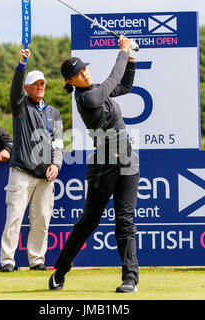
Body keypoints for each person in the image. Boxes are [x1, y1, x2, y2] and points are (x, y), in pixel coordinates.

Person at [49, 36, 140, 293]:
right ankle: (61, 270)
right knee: (89, 222)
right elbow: (113, 80)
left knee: (125, 221)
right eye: (78, 74)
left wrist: (131, 58)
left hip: (128, 161)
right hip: (105, 164)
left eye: (85, 69)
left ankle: (130, 279)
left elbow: (124, 86)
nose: (85, 74)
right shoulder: (87, 99)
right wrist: (122, 51)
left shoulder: (97, 90)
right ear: (70, 81)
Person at [0, 46, 64, 272]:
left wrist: (56, 164)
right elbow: (14, 90)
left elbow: (58, 144)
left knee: (42, 221)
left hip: (45, 176)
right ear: (27, 87)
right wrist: (21, 65)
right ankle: (7, 261)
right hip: (22, 172)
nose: (40, 87)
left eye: (42, 84)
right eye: (35, 84)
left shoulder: (54, 113)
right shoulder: (20, 105)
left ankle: (37, 261)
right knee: (14, 218)